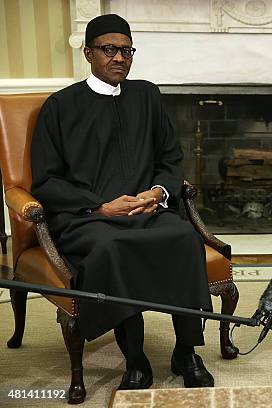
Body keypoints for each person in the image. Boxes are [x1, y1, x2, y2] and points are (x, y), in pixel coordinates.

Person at [31, 14, 214, 390]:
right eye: (109, 49)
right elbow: (46, 180)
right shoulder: (60, 106)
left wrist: (158, 193)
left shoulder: (146, 95)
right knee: (114, 248)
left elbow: (170, 158)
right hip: (89, 218)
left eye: (126, 50)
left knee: (185, 237)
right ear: (88, 53)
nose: (119, 58)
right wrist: (100, 207)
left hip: (146, 211)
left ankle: (186, 351)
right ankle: (136, 359)